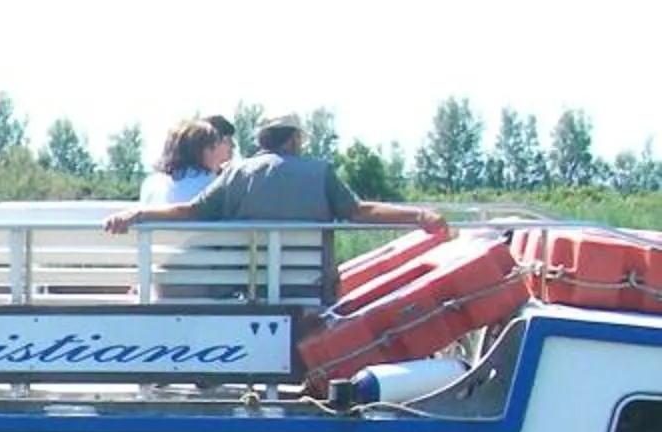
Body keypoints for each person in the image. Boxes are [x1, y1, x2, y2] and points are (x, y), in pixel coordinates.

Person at [104, 112, 445, 297]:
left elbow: (191, 211)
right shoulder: (319, 172)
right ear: (294, 139)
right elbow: (359, 212)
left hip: (250, 286)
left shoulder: (235, 173)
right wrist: (418, 215)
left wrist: (138, 213)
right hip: (305, 285)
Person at [142, 118, 233, 206]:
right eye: (213, 146)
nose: (215, 152)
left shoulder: (150, 184)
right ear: (201, 151)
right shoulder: (215, 185)